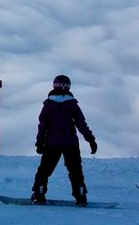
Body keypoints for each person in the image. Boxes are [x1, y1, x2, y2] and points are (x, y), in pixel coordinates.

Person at [31, 74, 97, 206]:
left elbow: (42, 125)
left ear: (54, 86)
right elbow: (81, 124)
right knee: (75, 171)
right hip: (70, 143)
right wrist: (90, 139)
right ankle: (81, 196)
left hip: (52, 143)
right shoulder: (72, 105)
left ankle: (39, 194)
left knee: (44, 171)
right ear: (68, 87)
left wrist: (39, 143)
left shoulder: (48, 105)